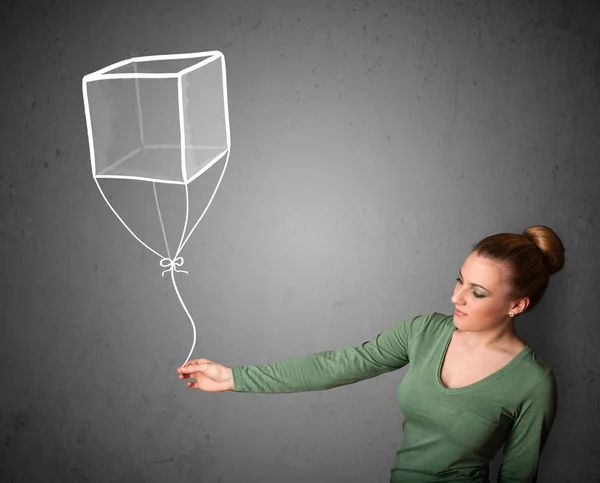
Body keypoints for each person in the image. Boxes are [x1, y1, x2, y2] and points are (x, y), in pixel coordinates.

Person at [177, 225, 564, 483]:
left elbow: (518, 477)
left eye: (477, 292)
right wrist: (235, 378)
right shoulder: (425, 332)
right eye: (459, 280)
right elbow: (341, 364)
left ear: (517, 305)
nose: (455, 297)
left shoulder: (531, 382)